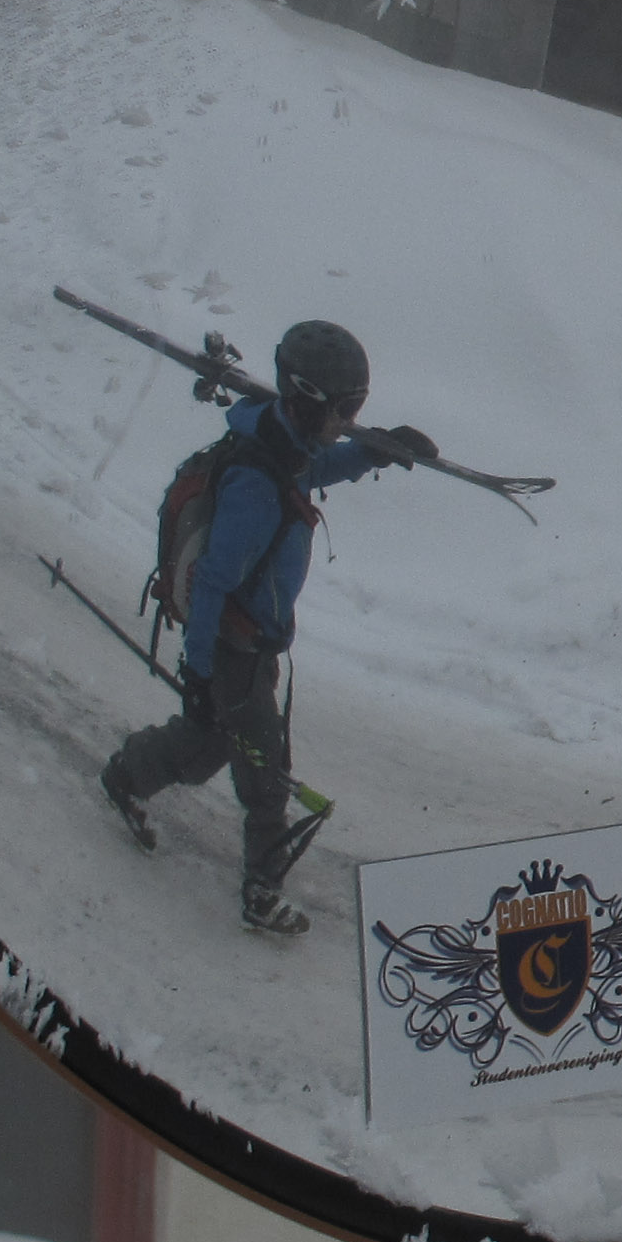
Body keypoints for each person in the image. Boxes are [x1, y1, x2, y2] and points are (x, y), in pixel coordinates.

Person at [98, 318, 438, 935]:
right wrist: (198, 672)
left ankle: (127, 774)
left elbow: (314, 469)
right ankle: (262, 888)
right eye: (347, 409)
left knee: (204, 750)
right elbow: (211, 586)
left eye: (358, 407)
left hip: (253, 647)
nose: (350, 419)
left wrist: (374, 450)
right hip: (233, 649)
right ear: (309, 402)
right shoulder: (256, 484)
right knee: (266, 775)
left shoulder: (285, 445)